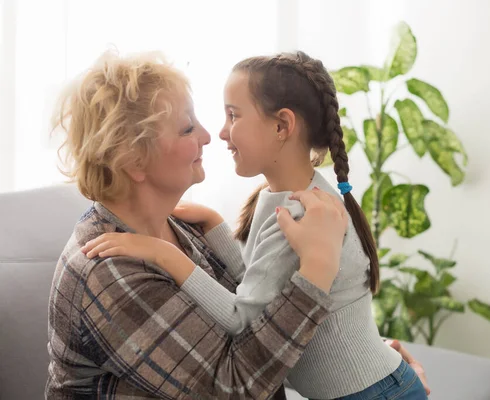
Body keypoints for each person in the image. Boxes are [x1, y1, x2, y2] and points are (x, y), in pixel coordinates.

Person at [82, 51, 431, 399]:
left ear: (282, 126)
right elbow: (258, 284)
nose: (217, 133)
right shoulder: (277, 198)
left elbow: (240, 316)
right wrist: (217, 227)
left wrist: (164, 254)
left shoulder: (301, 214)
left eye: (232, 116)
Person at [46, 50, 348, 399]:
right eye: (188, 128)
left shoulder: (180, 226)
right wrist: (316, 273)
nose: (208, 136)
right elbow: (236, 388)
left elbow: (256, 315)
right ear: (134, 161)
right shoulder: (108, 274)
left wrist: (365, 370)